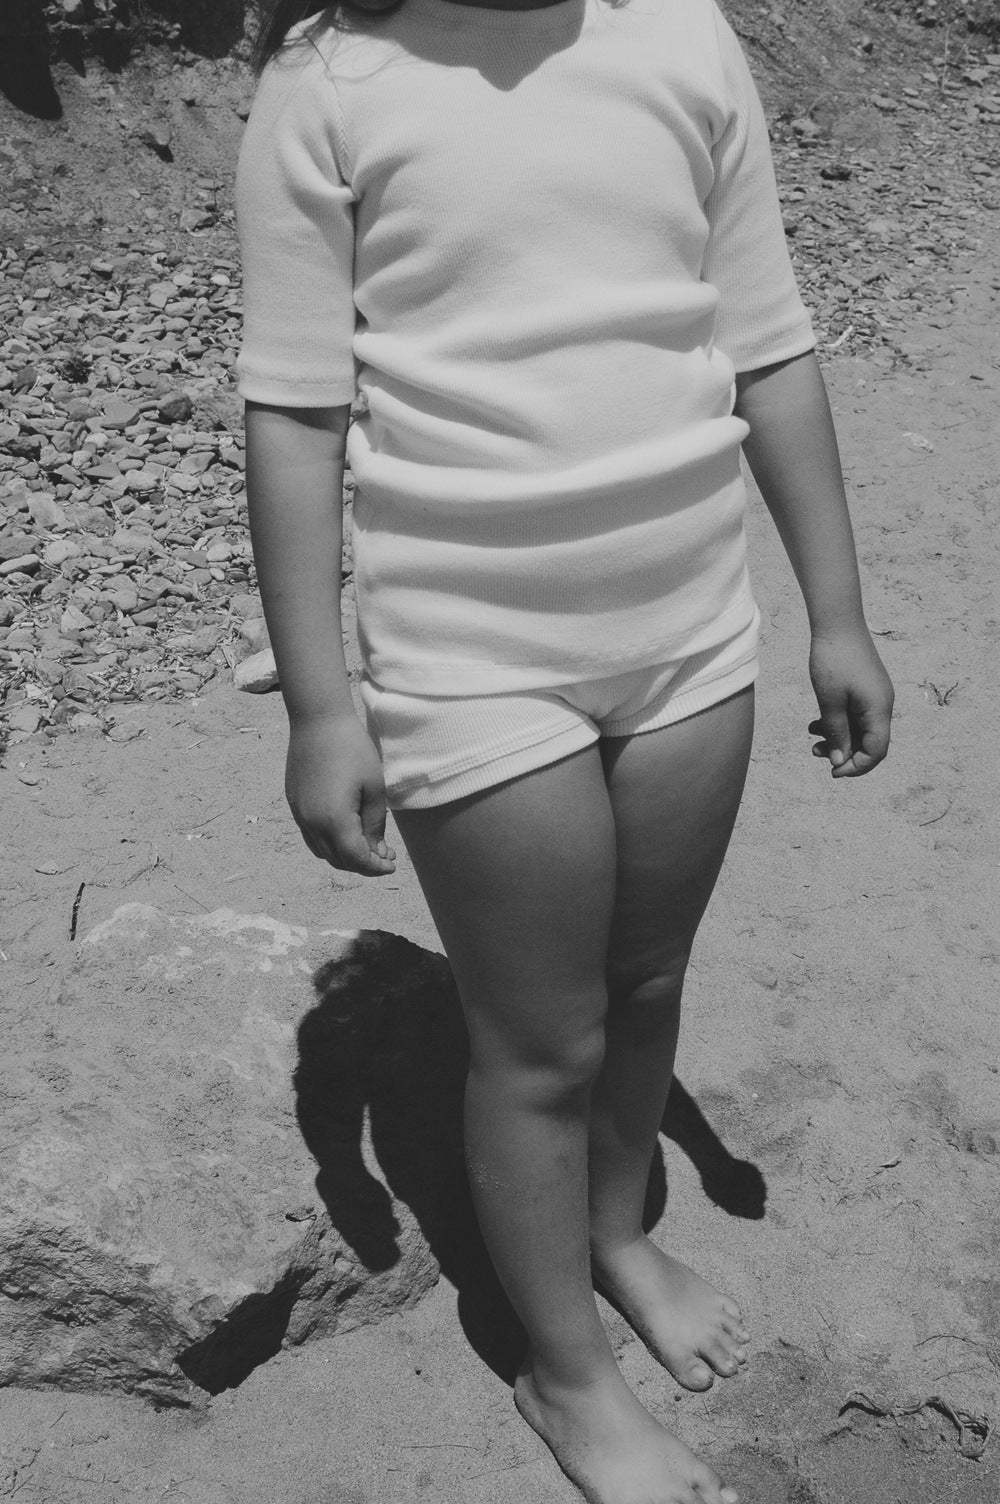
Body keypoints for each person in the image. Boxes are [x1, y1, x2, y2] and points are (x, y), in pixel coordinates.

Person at [235, 0, 894, 1499]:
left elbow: (770, 344)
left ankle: (614, 1234)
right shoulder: (329, 86)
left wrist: (835, 613)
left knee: (647, 982)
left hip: (686, 633)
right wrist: (323, 705)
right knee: (541, 1043)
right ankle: (565, 1372)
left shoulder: (682, 38)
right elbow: (293, 412)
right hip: (475, 658)